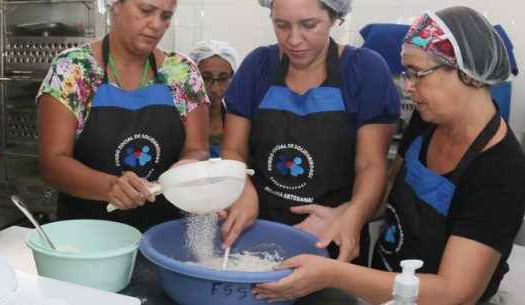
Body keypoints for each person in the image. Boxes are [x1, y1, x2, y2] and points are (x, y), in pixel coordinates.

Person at [253, 7, 525, 305]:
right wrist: (344, 215)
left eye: (418, 74)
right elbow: (392, 190)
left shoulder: (502, 169)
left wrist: (331, 273)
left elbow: (454, 292)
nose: (408, 87)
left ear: (467, 74)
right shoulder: (427, 123)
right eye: (407, 74)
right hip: (385, 290)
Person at [219, 0, 400, 263]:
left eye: (308, 25)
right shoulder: (258, 67)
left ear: (334, 17)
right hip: (257, 231)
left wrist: (353, 215)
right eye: (281, 25)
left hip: (330, 235)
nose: (293, 39)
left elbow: (371, 164)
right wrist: (242, 189)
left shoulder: (364, 70)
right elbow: (233, 149)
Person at [37, 0, 210, 232]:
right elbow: (52, 164)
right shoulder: (74, 69)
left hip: (163, 233)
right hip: (88, 236)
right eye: (146, 10)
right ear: (116, 5)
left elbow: (197, 148)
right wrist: (110, 187)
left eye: (166, 16)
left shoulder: (182, 72)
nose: (156, 24)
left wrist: (188, 164)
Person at [188, 40, 239, 158]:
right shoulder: (178, 120)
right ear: (191, 77)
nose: (215, 88)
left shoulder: (238, 119)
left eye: (223, 78)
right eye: (205, 78)